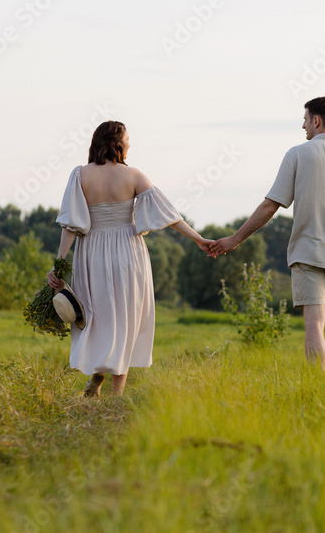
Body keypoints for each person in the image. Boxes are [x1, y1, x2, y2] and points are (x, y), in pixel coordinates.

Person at [47, 120, 214, 397]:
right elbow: (169, 216)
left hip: (91, 252)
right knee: (125, 317)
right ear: (117, 142)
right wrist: (198, 239)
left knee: (96, 315)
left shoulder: (80, 175)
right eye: (127, 139)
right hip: (127, 251)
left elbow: (70, 225)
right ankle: (117, 395)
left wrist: (59, 264)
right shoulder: (134, 176)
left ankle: (98, 373)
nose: (129, 144)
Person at [210, 97, 325, 367]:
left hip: (307, 252)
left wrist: (235, 239)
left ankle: (317, 383)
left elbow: (271, 205)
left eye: (305, 120)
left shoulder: (297, 154)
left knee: (314, 321)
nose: (303, 126)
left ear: (316, 120)